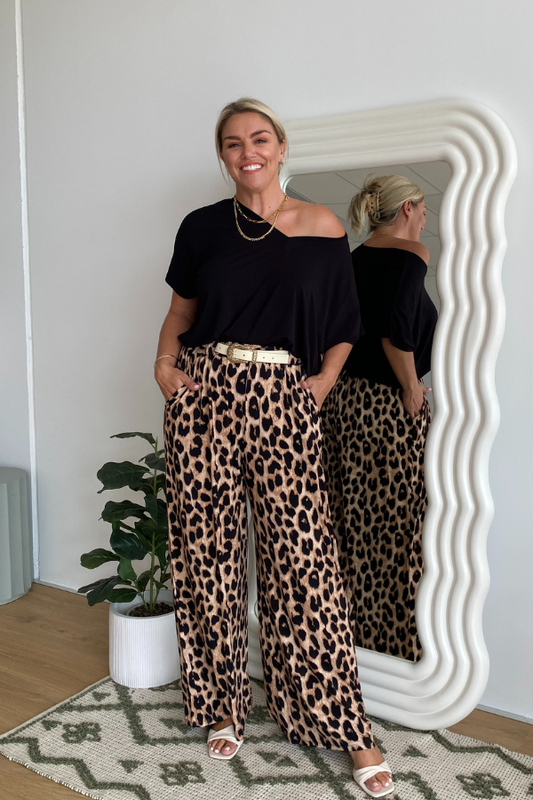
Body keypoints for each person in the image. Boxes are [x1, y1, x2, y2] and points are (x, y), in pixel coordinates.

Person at [154, 98, 394, 796]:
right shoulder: (202, 228)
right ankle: (220, 703)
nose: (246, 151)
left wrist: (320, 381)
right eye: (232, 143)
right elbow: (179, 313)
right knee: (207, 556)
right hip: (203, 393)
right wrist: (163, 366)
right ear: (222, 155)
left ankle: (345, 727)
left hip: (283, 397)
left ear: (281, 147)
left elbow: (345, 324)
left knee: (304, 563)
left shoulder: (321, 228)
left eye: (258, 138)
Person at [322, 174, 438, 663]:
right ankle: (391, 644)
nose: (426, 216)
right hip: (385, 407)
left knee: (349, 519)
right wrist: (412, 388)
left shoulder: (354, 258)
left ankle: (347, 639)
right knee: (398, 522)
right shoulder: (412, 255)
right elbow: (395, 331)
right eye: (424, 208)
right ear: (408, 208)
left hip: (344, 403)